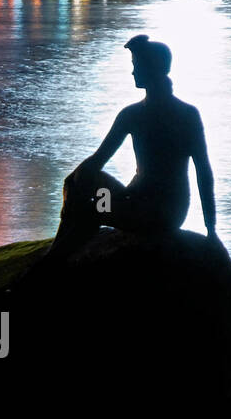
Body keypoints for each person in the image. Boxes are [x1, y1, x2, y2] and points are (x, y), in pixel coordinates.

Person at [46, 35, 217, 260]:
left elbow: (203, 172)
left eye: (137, 66)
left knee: (92, 208)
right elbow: (96, 163)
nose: (133, 72)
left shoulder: (139, 115)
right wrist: (74, 180)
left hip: (153, 213)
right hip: (142, 202)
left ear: (152, 68)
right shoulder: (180, 114)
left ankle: (56, 258)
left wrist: (210, 228)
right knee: (89, 185)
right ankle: (59, 254)